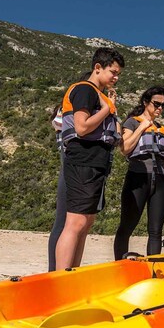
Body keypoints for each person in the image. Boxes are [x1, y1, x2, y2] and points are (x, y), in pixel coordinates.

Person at [53, 48, 124, 270]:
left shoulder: (100, 96)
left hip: (96, 162)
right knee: (75, 222)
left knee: (86, 222)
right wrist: (107, 109)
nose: (116, 77)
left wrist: (110, 108)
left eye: (118, 73)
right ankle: (61, 277)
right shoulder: (85, 90)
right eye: (113, 72)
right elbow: (82, 127)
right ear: (97, 68)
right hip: (83, 159)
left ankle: (72, 273)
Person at [113, 86, 164, 259]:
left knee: (156, 231)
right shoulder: (132, 122)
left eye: (163, 106)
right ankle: (120, 265)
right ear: (145, 102)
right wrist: (142, 127)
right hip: (138, 177)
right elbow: (125, 148)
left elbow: (163, 160)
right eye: (156, 104)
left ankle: (153, 269)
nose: (159, 109)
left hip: (161, 181)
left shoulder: (163, 129)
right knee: (127, 226)